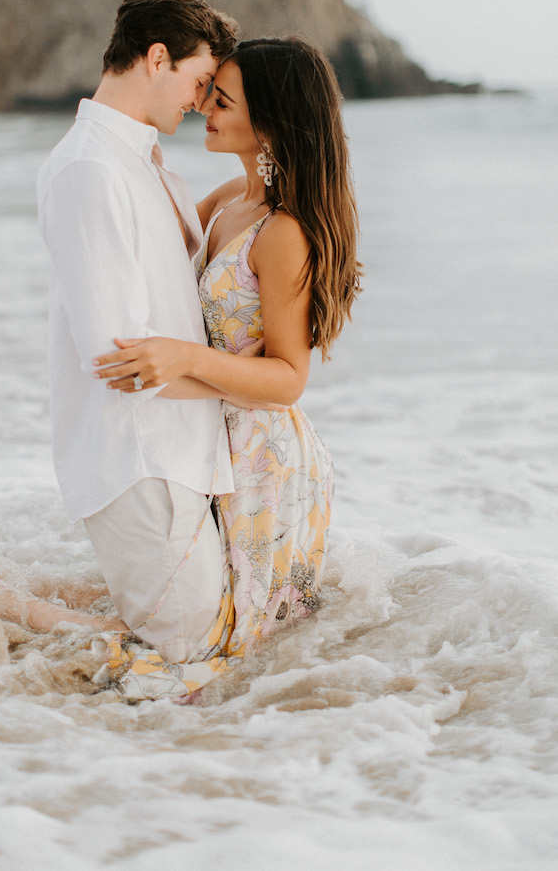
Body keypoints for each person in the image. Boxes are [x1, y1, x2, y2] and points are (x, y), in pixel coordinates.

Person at [92, 37, 362, 696]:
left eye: (224, 99)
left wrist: (181, 359)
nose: (205, 107)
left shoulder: (283, 232)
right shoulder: (223, 202)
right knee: (188, 613)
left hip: (262, 457)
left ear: (269, 118)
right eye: (208, 93)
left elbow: (289, 378)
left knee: (214, 656)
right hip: (212, 437)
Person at [34, 0, 243, 663]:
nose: (203, 100)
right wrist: (251, 384)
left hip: (176, 450)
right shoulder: (91, 169)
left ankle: (1, 599)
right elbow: (118, 357)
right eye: (200, 79)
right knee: (185, 655)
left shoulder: (140, 163)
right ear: (157, 58)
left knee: (196, 641)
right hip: (140, 457)